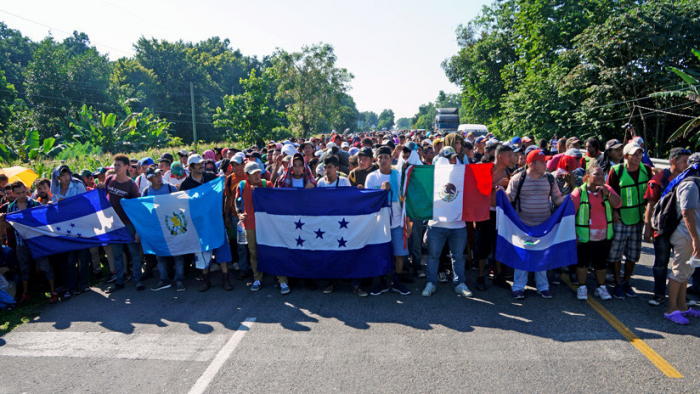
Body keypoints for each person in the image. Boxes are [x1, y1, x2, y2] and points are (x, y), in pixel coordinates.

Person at [505, 149, 564, 299]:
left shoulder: (550, 179)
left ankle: (543, 287)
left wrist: (571, 198)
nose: (546, 164)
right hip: (522, 226)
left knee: (542, 255)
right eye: (543, 161)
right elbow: (509, 198)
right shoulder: (518, 178)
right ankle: (518, 287)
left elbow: (557, 199)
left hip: (544, 226)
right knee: (522, 255)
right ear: (532, 164)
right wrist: (498, 191)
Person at [606, 143, 652, 299]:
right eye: (635, 154)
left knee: (633, 254)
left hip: (638, 218)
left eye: (640, 153)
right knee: (616, 254)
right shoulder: (617, 171)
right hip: (621, 218)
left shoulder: (646, 170)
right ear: (626, 157)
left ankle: (626, 282)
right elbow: (609, 192)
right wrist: (613, 211)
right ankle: (618, 284)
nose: (639, 157)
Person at [180, 154, 233, 292]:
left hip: (215, 220)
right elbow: (183, 204)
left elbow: (222, 191)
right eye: (197, 164)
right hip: (199, 224)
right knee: (203, 252)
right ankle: (205, 280)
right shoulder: (185, 184)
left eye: (202, 163)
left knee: (222, 249)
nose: (201, 165)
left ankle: (226, 279)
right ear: (190, 167)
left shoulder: (211, 177)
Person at [645, 148, 691, 305]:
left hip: (681, 229)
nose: (687, 164)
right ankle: (659, 294)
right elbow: (650, 204)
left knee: (682, 263)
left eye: (688, 161)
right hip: (662, 229)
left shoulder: (690, 178)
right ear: (673, 161)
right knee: (661, 263)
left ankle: (680, 296)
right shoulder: (661, 178)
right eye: (684, 161)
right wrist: (647, 227)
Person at [0, 181, 58, 304]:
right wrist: (3, 220)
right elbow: (10, 227)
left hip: (36, 242)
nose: (22, 195)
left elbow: (42, 222)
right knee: (24, 269)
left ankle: (53, 291)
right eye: (18, 193)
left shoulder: (34, 203)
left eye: (23, 192)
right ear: (13, 193)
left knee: (45, 267)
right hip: (21, 243)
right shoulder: (11, 207)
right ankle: (26, 293)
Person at [235, 162, 289, 293]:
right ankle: (257, 278)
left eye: (259, 172)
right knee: (254, 253)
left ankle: (282, 281)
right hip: (250, 224)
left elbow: (275, 202)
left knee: (274, 250)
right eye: (254, 173)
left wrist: (260, 192)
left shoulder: (267, 184)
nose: (258, 175)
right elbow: (237, 202)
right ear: (247, 175)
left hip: (268, 225)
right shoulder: (241, 186)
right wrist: (239, 213)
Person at [365, 146, 411, 296]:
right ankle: (383, 282)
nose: (383, 160)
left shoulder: (398, 176)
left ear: (392, 159)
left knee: (399, 255)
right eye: (380, 158)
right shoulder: (372, 177)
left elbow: (405, 201)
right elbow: (369, 202)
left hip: (397, 223)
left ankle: (397, 282)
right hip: (379, 225)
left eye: (386, 157)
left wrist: (408, 222)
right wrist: (381, 193)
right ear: (376, 160)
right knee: (382, 254)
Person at [571, 166, 621, 300]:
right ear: (588, 176)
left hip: (604, 235)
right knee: (583, 262)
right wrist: (573, 234)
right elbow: (570, 213)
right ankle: (582, 287)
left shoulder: (606, 189)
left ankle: (601, 287)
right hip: (584, 235)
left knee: (601, 263)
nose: (600, 177)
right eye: (596, 174)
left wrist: (607, 193)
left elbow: (617, 204)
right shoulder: (579, 192)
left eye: (602, 174)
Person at [98, 154, 144, 293]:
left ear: (126, 167)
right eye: (115, 165)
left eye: (119, 165)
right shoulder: (109, 180)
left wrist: (137, 230)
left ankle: (138, 280)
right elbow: (103, 196)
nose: (116, 168)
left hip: (128, 224)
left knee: (134, 253)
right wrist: (100, 187)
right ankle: (119, 281)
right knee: (117, 254)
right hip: (113, 224)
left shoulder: (132, 185)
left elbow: (137, 208)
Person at [664, 153, 700, 324]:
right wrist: (695, 239)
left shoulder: (695, 183)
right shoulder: (690, 185)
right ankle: (671, 310)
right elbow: (687, 213)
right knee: (679, 271)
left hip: (692, 235)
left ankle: (682, 306)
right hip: (686, 235)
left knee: (686, 272)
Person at [475, 144, 513, 291]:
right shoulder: (487, 169)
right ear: (500, 157)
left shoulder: (508, 172)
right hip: (486, 213)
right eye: (509, 155)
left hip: (501, 213)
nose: (511, 158)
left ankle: (499, 275)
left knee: (500, 243)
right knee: (483, 245)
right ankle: (480, 276)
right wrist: (497, 184)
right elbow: (479, 191)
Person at [142, 168, 186, 292]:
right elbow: (144, 211)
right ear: (148, 178)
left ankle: (179, 280)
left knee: (177, 254)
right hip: (156, 228)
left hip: (172, 225)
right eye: (154, 175)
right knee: (160, 255)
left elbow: (179, 206)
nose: (158, 176)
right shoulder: (146, 192)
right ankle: (164, 280)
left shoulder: (170, 188)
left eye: (159, 174)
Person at [52, 165, 92, 297]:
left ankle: (85, 284)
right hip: (65, 227)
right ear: (58, 177)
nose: (66, 177)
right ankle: (72, 287)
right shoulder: (55, 189)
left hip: (80, 224)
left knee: (84, 256)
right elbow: (54, 207)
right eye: (63, 175)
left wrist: (68, 202)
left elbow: (84, 202)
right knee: (70, 259)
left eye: (67, 174)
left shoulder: (78, 185)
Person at [224, 153, 250, 280]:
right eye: (233, 165)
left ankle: (257, 269)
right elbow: (228, 198)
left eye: (238, 165)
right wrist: (227, 216)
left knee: (254, 243)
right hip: (236, 216)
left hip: (252, 216)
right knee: (241, 244)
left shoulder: (250, 176)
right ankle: (244, 268)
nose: (235, 168)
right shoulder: (229, 179)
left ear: (243, 164)